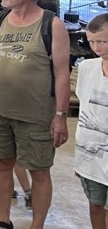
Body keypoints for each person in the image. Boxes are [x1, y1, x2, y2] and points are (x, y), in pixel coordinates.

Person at [0, 0, 70, 229]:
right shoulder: (0, 19)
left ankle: (36, 225)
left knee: (39, 171)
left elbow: (62, 73)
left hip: (35, 114)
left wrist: (60, 117)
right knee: (2, 164)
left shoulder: (52, 25)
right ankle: (3, 221)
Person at [76, 13, 108, 229]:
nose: (97, 47)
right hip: (91, 154)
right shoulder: (86, 68)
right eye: (92, 42)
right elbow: (84, 106)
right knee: (95, 205)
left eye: (102, 41)